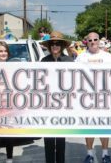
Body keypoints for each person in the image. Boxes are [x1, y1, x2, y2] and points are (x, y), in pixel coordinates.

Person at [75, 32, 111, 163]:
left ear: (99, 41)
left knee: (104, 127)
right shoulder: (81, 57)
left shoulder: (109, 57)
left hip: (104, 98)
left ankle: (105, 154)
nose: (93, 42)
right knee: (89, 126)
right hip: (87, 99)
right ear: (86, 42)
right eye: (90, 40)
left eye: (95, 39)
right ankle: (90, 154)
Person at [40, 31, 73, 163]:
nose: (55, 46)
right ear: (49, 46)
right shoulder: (43, 61)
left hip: (63, 107)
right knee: (48, 141)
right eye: (52, 44)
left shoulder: (69, 61)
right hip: (47, 106)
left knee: (60, 141)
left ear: (62, 46)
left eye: (58, 43)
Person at [0, 41, 14, 163]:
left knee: (9, 134)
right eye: (0, 51)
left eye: (5, 51)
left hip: (9, 105)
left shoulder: (14, 68)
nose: (3, 53)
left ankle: (9, 158)